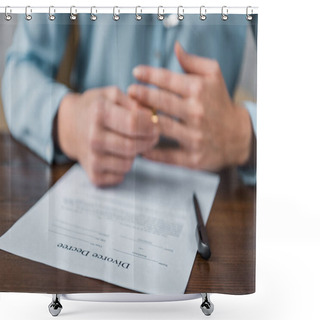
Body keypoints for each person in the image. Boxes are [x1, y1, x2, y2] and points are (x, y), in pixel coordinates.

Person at [2, 13, 257, 187]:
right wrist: (69, 122)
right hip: (91, 181)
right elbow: (20, 70)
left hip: (218, 192)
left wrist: (245, 135)